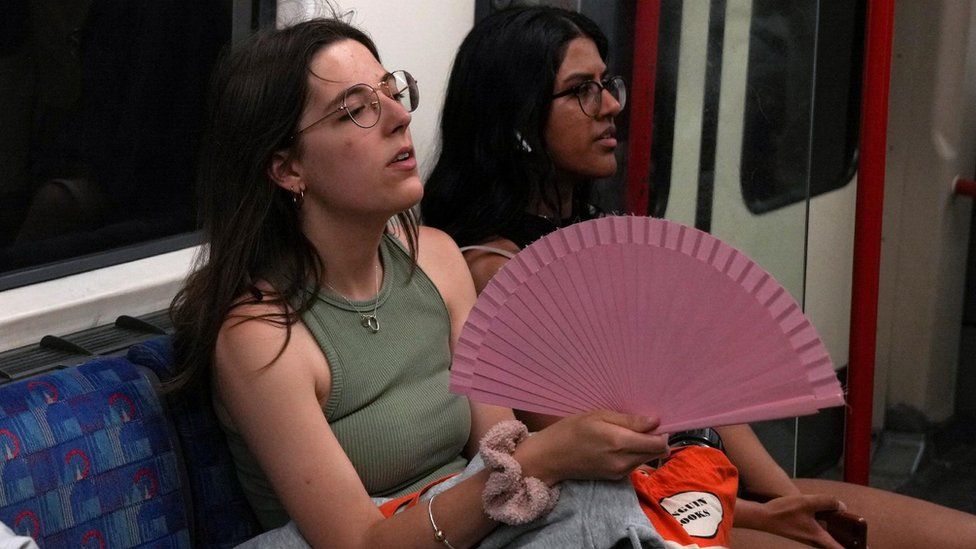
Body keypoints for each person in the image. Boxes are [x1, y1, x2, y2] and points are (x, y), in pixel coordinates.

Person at [169, 14, 739, 549]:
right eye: (355, 111)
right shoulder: (262, 335)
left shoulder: (437, 260)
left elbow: (501, 445)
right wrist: (547, 460)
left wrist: (564, 453)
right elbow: (361, 542)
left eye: (392, 92)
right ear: (288, 168)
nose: (399, 117)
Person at [421, 5, 976, 549]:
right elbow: (604, 461)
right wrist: (765, 517)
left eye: (606, 82)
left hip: (717, 482)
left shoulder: (598, 232)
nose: (611, 104)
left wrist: (785, 497)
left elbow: (694, 392)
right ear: (518, 119)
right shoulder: (498, 275)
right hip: (654, 508)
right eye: (581, 91)